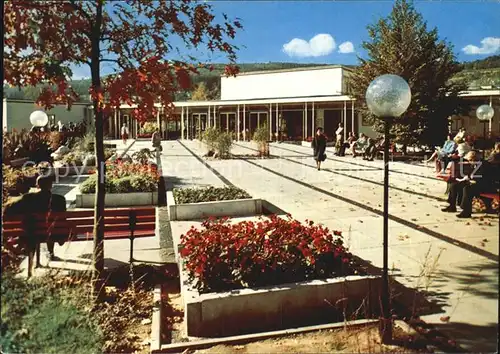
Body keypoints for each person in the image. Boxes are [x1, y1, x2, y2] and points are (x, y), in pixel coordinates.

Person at [3, 176, 67, 275]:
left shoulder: (28, 198)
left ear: (37, 185)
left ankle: (30, 267)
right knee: (51, 225)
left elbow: (8, 209)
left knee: (32, 225)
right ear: (51, 185)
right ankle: (51, 253)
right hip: (55, 234)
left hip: (33, 234)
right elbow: (62, 217)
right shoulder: (60, 199)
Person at [441, 151, 495, 218]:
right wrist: (466, 178)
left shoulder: (483, 164)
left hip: (487, 186)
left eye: (469, 160)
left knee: (467, 189)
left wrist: (468, 178)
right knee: (454, 185)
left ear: (473, 158)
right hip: (479, 183)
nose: (469, 162)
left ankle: (466, 211)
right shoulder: (476, 163)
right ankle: (452, 206)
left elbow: (479, 177)